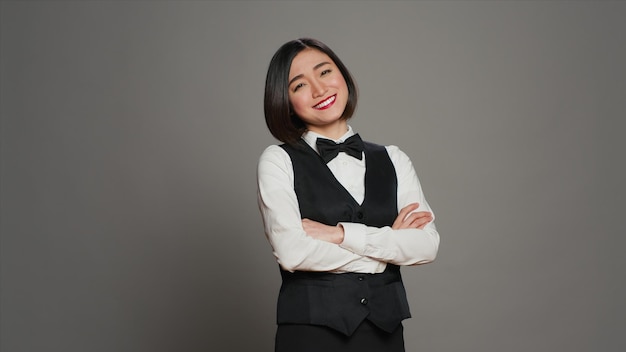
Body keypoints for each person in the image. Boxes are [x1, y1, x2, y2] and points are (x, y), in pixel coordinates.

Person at [257, 38, 440, 352]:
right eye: (299, 85)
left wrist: (338, 234)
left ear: (342, 75)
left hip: (385, 335)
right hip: (309, 336)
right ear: (285, 102)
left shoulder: (394, 158)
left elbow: (426, 245)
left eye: (325, 72)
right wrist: (385, 250)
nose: (319, 89)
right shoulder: (277, 161)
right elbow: (292, 252)